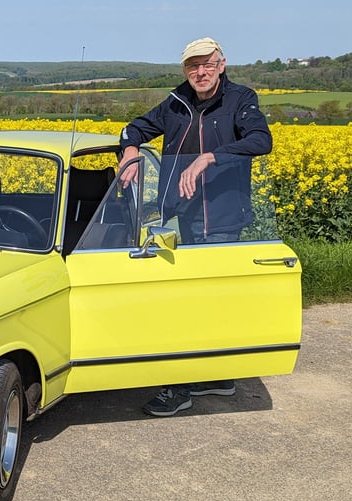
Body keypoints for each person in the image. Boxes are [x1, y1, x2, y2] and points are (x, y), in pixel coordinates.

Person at [117, 37, 273, 417]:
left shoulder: (239, 99)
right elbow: (134, 128)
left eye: (207, 64)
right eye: (192, 66)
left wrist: (211, 158)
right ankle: (217, 375)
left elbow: (261, 140)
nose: (200, 73)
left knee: (198, 301)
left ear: (221, 64)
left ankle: (181, 386)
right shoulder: (176, 102)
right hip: (183, 215)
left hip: (223, 218)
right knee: (206, 299)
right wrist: (132, 151)